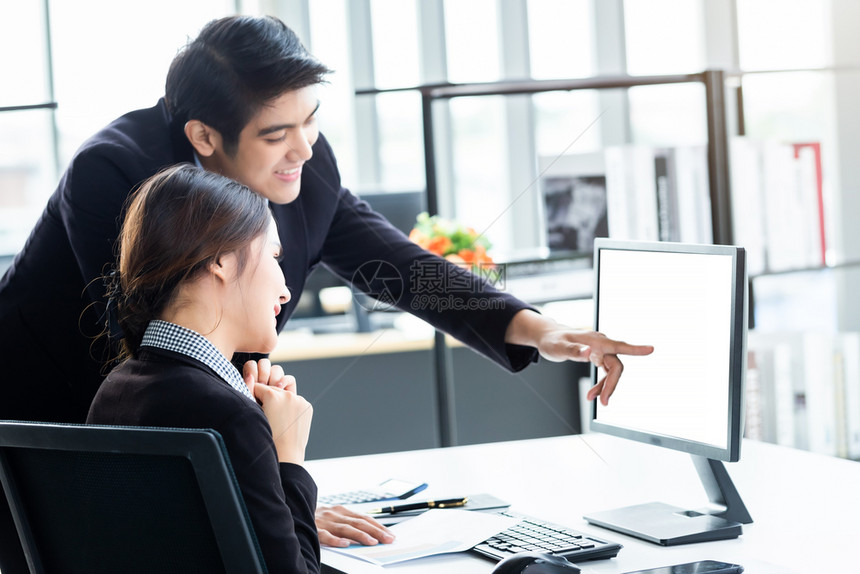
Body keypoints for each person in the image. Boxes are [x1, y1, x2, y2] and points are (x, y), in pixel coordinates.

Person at [0, 14, 652, 571]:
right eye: (276, 134)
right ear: (204, 137)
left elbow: (391, 259)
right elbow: (160, 350)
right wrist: (282, 492)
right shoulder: (118, 174)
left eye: (310, 122)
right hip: (47, 404)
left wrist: (537, 328)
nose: (303, 150)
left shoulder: (304, 163)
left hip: (181, 430)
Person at [86, 164, 320, 573]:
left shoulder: (115, 390)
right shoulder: (227, 416)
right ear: (221, 260)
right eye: (274, 255)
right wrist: (289, 458)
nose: (286, 288)